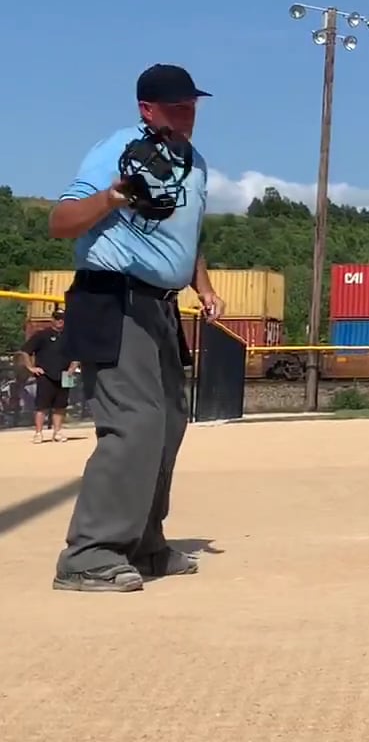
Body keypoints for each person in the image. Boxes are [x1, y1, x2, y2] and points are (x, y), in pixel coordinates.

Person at [46, 64, 225, 592]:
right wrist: (112, 197)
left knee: (169, 422)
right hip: (112, 297)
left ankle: (143, 544)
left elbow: (188, 236)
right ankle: (89, 554)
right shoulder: (117, 148)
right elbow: (60, 222)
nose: (186, 114)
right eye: (175, 107)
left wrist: (203, 285)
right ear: (147, 109)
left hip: (161, 307)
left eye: (191, 105)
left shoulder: (195, 163)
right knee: (135, 422)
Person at [24, 308, 73, 442]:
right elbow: (26, 351)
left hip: (65, 375)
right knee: (42, 406)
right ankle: (38, 433)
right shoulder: (42, 335)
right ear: (52, 319)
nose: (60, 321)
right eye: (57, 318)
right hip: (45, 375)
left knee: (61, 406)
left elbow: (76, 354)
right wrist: (31, 367)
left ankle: (57, 432)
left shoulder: (70, 336)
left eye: (62, 319)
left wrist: (72, 368)